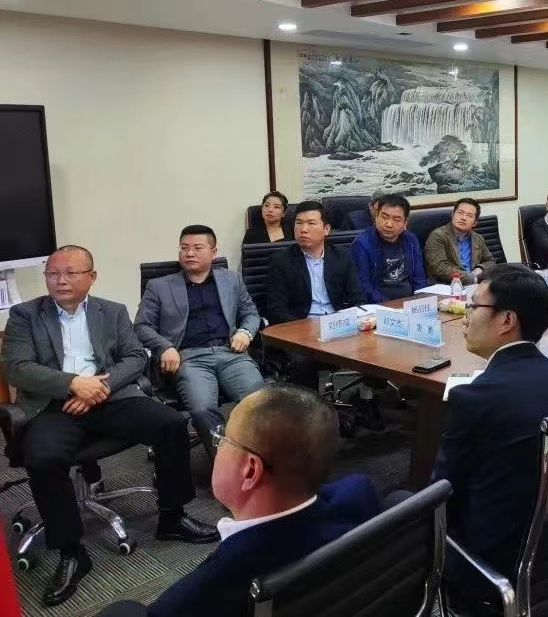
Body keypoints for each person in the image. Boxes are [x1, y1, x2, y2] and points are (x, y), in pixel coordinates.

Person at [1, 246, 217, 608]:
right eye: (53, 273)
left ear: (92, 277)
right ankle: (71, 551)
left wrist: (97, 389)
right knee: (43, 457)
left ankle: (172, 517)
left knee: (170, 423)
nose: (61, 280)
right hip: (55, 405)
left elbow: (134, 357)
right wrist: (74, 384)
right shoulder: (25, 315)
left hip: (110, 396)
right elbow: (18, 368)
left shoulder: (112, 311)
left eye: (70, 273)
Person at [94, 387, 380, 617]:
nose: (217, 445)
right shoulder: (359, 494)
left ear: (250, 471)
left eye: (222, 439)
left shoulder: (221, 578)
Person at [432, 264, 548, 600]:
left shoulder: (475, 397)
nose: (465, 316)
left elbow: (441, 494)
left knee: (398, 502)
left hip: (495, 566)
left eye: (474, 306)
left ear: (506, 320)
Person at [135, 225, 265, 460]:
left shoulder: (231, 279)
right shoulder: (159, 286)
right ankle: (226, 463)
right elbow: (142, 326)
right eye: (184, 248)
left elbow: (250, 313)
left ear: (214, 252)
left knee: (260, 402)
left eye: (197, 248)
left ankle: (261, 457)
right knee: (203, 409)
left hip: (230, 352)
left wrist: (245, 332)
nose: (189, 253)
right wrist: (165, 347)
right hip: (188, 357)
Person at [266, 201, 364, 391]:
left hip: (338, 326)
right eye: (299, 223)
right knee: (303, 360)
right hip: (301, 331)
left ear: (326, 229)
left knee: (375, 344)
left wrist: (344, 322)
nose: (303, 229)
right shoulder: (281, 260)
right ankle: (310, 406)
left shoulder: (341, 256)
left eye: (311, 223)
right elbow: (276, 310)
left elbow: (358, 299)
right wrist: (310, 329)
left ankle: (368, 398)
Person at [350, 193, 427, 302]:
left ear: (405, 222)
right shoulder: (362, 243)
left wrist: (420, 300)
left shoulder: (410, 239)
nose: (389, 224)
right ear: (376, 217)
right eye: (384, 217)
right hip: (380, 305)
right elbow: (364, 286)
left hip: (411, 302)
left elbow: (419, 278)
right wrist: (389, 306)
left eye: (396, 220)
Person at [424, 197, 496, 285]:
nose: (463, 218)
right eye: (460, 213)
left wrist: (480, 268)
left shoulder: (477, 238)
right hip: (447, 286)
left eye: (469, 215)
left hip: (472, 285)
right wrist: (472, 278)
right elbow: (439, 268)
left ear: (474, 223)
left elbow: (490, 261)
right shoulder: (438, 236)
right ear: (452, 215)